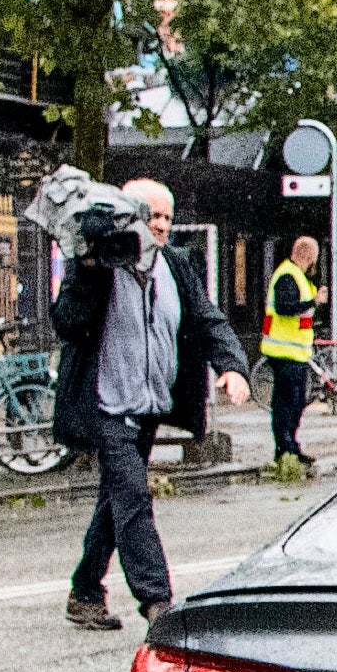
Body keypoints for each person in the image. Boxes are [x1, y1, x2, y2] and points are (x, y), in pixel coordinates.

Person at [49, 176, 247, 632]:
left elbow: (207, 318)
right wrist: (90, 270)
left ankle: (85, 592)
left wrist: (232, 366)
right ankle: (157, 601)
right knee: (134, 496)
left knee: (115, 499)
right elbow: (67, 323)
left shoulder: (175, 265)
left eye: (166, 217)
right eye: (150, 214)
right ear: (125, 215)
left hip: (148, 405)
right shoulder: (100, 266)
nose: (159, 225)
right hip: (108, 404)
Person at [260, 232, 322, 473]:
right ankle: (285, 449)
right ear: (308, 256)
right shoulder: (288, 276)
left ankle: (290, 446)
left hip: (295, 353)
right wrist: (313, 302)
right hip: (284, 352)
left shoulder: (297, 276)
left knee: (296, 402)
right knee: (287, 403)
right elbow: (287, 309)